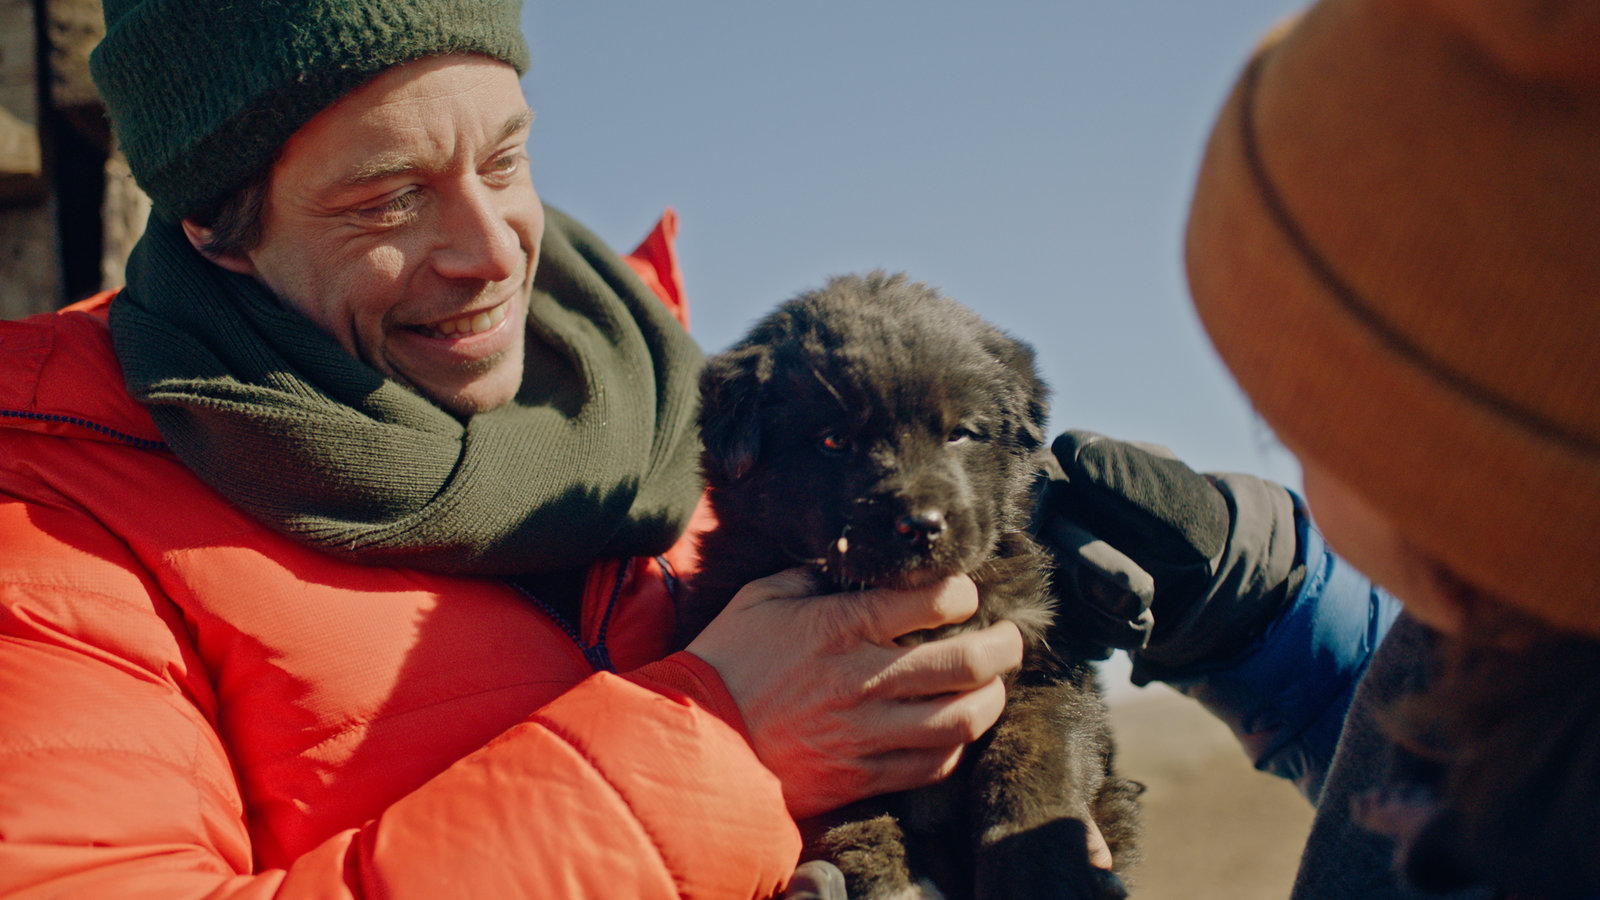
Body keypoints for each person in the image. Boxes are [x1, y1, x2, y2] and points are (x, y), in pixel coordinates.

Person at [0, 1, 1024, 897]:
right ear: (214, 227)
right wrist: (719, 745)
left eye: (503, 159)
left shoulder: (688, 404)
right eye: (389, 199)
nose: (491, 252)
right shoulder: (57, 505)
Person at [1036, 1, 1600, 898]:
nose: (1292, 462)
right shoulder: (1529, 658)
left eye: (1298, 429)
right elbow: (1432, 741)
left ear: (1466, 496)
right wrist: (1256, 601)